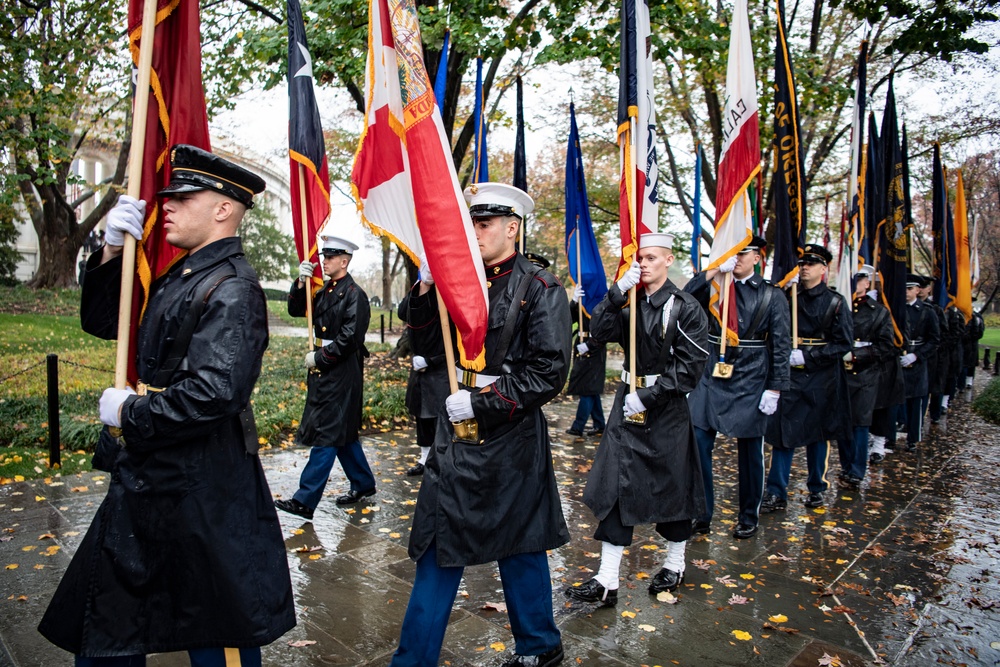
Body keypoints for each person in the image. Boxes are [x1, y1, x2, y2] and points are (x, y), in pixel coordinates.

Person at [39, 144, 295, 665]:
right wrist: (110, 253)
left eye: (184, 196)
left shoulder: (232, 286)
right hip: (154, 474)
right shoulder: (185, 274)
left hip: (203, 487)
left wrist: (128, 413)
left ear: (224, 208)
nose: (168, 206)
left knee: (216, 628)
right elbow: (109, 323)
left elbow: (213, 394)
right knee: (110, 622)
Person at [390, 183, 571, 667]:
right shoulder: (460, 278)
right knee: (436, 541)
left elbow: (548, 373)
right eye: (469, 223)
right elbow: (422, 334)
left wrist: (483, 402)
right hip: (457, 429)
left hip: (509, 435)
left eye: (483, 224)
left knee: (520, 544)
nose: (473, 232)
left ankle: (539, 645)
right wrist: (427, 285)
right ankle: (413, 660)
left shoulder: (541, 288)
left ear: (512, 228)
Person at [565, 232, 709, 605]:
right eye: (639, 259)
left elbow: (690, 370)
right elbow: (597, 334)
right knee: (615, 485)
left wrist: (647, 396)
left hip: (665, 409)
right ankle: (607, 579)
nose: (642, 264)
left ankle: (675, 564)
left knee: (672, 488)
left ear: (667, 259)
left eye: (650, 258)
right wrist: (616, 293)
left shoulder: (686, 307)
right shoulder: (628, 301)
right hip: (626, 406)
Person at [685, 235, 790, 539]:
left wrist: (775, 388)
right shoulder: (717, 287)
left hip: (752, 374)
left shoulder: (772, 296)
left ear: (757, 257)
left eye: (743, 253)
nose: (738, 258)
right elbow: (683, 297)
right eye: (734, 253)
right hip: (712, 374)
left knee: (750, 452)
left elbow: (781, 346)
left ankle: (748, 515)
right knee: (699, 443)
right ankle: (701, 514)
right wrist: (714, 271)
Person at [274, 235, 375, 520]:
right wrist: (300, 283)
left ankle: (304, 500)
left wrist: (320, 357)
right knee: (341, 433)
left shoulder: (355, 294)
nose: (324, 261)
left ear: (344, 261)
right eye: (324, 256)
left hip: (341, 370)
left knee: (328, 434)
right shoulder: (326, 291)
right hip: (324, 368)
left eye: (330, 257)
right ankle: (364, 483)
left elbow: (350, 338)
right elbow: (296, 310)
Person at [762, 244, 852, 513]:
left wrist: (808, 356)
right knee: (783, 435)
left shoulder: (835, 303)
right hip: (789, 375)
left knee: (817, 436)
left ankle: (817, 487)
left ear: (824, 269)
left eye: (811, 264)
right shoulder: (788, 296)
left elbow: (843, 343)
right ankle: (776, 491)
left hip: (821, 378)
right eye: (802, 264)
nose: (804, 268)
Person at [837, 265, 896, 485]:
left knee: (860, 423)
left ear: (867, 283)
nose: (855, 283)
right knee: (843, 421)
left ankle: (856, 470)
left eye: (860, 279)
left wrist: (856, 355)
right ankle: (846, 465)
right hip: (841, 374)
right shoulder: (839, 305)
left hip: (865, 374)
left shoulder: (878, 311)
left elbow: (886, 347)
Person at [397, 257, 450, 476]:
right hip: (421, 369)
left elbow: (454, 340)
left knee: (439, 416)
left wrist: (432, 360)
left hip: (441, 367)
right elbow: (403, 312)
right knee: (422, 416)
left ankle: (442, 458)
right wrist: (423, 284)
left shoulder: (447, 292)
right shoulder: (420, 289)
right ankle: (424, 457)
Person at [898, 274, 940, 452]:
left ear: (918, 290)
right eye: (904, 289)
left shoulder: (927, 311)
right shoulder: (895, 310)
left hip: (917, 358)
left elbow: (935, 340)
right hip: (899, 356)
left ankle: (913, 439)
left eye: (910, 288)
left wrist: (917, 356)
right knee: (896, 398)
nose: (906, 292)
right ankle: (891, 435)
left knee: (916, 401)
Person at [565, 284, 608, 437]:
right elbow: (569, 319)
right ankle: (600, 424)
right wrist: (575, 301)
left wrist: (590, 344)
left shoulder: (604, 302)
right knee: (591, 390)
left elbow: (607, 329)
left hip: (595, 350)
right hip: (581, 347)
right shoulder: (584, 302)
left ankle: (578, 426)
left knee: (587, 390)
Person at [959, 304, 985, 389]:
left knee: (970, 364)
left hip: (971, 344)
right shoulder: (960, 315)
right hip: (962, 344)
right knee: (962, 364)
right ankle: (961, 384)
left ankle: (968, 381)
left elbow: (980, 332)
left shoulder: (977, 317)